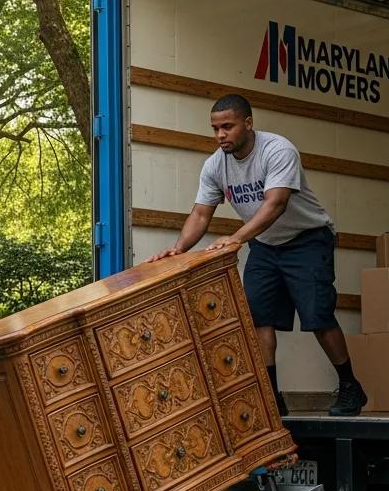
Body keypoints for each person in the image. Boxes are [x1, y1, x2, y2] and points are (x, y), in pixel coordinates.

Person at [148, 93, 367, 418]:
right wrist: (179, 248)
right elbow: (200, 214)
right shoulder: (214, 166)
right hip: (265, 245)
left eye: (228, 126)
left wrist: (235, 238)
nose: (221, 135)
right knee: (258, 318)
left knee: (318, 316)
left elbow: (275, 204)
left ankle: (350, 387)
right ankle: (271, 397)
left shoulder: (278, 151)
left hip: (306, 239)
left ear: (248, 124)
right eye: (215, 128)